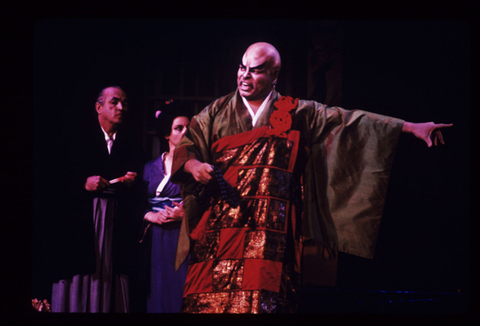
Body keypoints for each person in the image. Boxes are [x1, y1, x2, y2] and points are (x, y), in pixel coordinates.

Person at [170, 42, 452, 313]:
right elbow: (188, 145)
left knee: (263, 302)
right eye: (242, 67)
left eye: (255, 70)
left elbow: (348, 120)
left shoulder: (296, 112)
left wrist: (410, 127)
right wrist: (193, 164)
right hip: (222, 228)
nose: (244, 75)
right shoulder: (216, 112)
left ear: (274, 75)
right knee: (208, 301)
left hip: (271, 232)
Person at [51, 86, 146, 313]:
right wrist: (83, 184)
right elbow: (55, 179)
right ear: (98, 107)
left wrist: (131, 182)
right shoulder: (77, 139)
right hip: (85, 217)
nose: (121, 107)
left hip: (115, 219)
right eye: (114, 102)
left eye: (123, 103)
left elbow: (137, 190)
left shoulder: (130, 144)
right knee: (85, 271)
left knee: (112, 272)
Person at [138, 100, 190, 313]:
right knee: (156, 290)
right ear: (167, 134)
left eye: (188, 128)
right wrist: (149, 215)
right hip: (155, 238)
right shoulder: (150, 167)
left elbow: (208, 202)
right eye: (179, 128)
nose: (186, 132)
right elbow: (136, 203)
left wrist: (186, 213)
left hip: (183, 236)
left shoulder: (194, 166)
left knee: (181, 289)